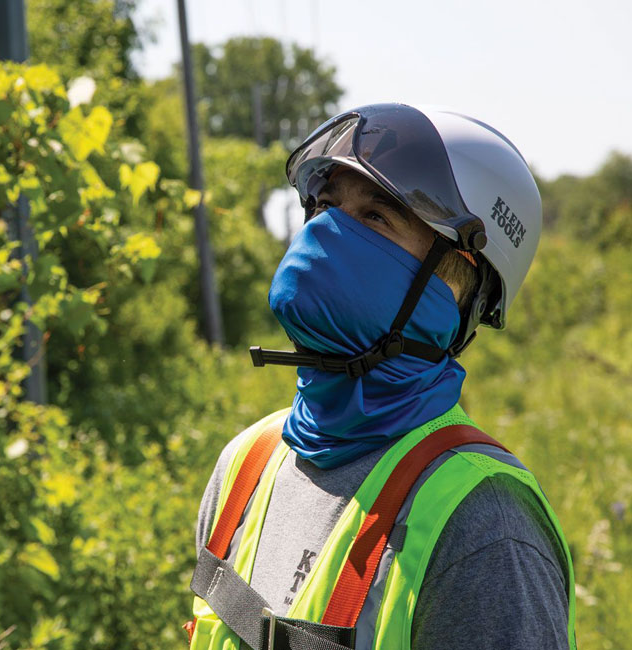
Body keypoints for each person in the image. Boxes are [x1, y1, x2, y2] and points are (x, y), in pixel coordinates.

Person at [186, 104, 577, 650]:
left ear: (458, 281)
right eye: (324, 205)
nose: (327, 231)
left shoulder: (485, 531)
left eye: (374, 217)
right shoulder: (247, 463)